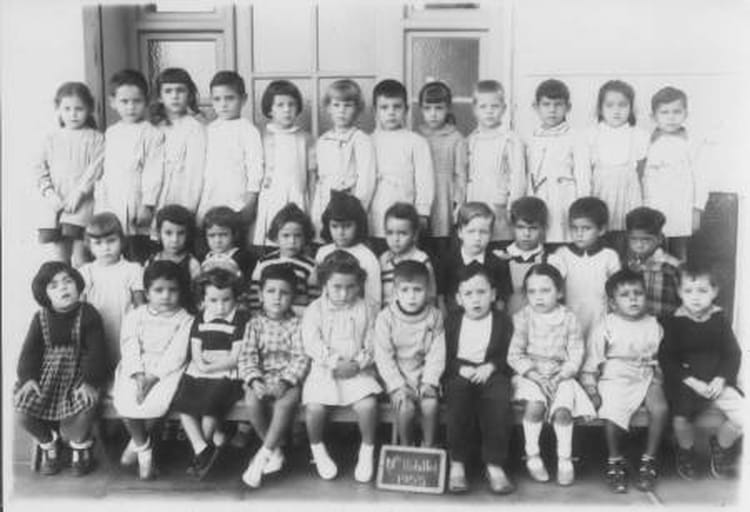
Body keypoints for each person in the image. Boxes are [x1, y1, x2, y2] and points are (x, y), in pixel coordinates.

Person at [15, 262, 107, 476]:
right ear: (44, 294)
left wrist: (90, 382)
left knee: (87, 403)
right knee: (21, 410)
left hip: (79, 376)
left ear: (78, 285)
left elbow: (97, 351)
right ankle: (49, 443)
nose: (63, 288)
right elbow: (29, 352)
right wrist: (28, 378)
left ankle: (80, 446)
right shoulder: (40, 317)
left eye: (68, 281)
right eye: (54, 285)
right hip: (47, 376)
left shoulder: (88, 314)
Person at [508, 263, 595, 487]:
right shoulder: (523, 318)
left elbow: (576, 353)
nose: (538, 297)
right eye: (532, 291)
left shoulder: (569, 318)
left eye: (545, 290)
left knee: (563, 410)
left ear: (559, 292)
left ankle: (565, 459)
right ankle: (532, 455)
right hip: (531, 375)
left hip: (561, 374)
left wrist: (561, 376)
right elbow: (515, 354)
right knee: (536, 405)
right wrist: (535, 376)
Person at [581, 269, 667, 493]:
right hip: (616, 376)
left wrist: (659, 375)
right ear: (613, 302)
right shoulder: (606, 326)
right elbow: (592, 360)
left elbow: (662, 356)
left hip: (646, 374)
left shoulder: (653, 324)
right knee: (611, 411)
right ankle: (615, 460)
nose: (633, 299)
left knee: (660, 409)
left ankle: (649, 460)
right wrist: (591, 388)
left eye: (638, 293)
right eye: (625, 295)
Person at [301, 250, 382, 482]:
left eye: (351, 287)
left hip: (358, 370)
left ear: (359, 285)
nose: (344, 293)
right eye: (337, 287)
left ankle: (366, 451)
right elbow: (312, 343)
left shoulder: (367, 308)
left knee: (368, 406)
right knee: (314, 409)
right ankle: (318, 450)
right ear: (324, 284)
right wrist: (334, 362)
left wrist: (358, 363)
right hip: (325, 371)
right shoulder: (315, 309)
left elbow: (374, 341)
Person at [659, 264, 743, 480]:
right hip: (687, 382)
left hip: (716, 381)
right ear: (680, 293)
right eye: (688, 291)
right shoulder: (674, 322)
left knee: (744, 417)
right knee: (681, 419)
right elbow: (667, 359)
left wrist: (721, 378)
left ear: (714, 292)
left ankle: (721, 445)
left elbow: (732, 353)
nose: (695, 297)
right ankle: (685, 451)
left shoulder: (719, 320)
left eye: (703, 291)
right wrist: (692, 382)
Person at [112, 261, 193, 480]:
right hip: (136, 366)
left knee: (154, 403)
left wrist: (153, 378)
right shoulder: (136, 315)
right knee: (127, 402)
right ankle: (144, 450)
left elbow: (177, 353)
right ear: (147, 292)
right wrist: (138, 374)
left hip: (166, 370)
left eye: (172, 290)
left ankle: (136, 443)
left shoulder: (185, 319)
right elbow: (129, 344)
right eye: (158, 290)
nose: (166, 295)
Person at [171, 268, 249, 479]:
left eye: (226, 300)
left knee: (210, 406)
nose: (220, 307)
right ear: (203, 300)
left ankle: (201, 451)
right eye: (213, 300)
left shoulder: (239, 319)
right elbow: (196, 348)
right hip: (199, 369)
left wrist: (209, 368)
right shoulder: (200, 318)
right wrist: (201, 365)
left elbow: (235, 357)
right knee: (183, 403)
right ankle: (202, 449)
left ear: (235, 298)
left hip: (226, 372)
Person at [444, 264, 515, 494]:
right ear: (458, 298)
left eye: (482, 292)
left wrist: (491, 366)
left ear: (493, 294)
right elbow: (443, 355)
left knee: (498, 400)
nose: (476, 299)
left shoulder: (502, 321)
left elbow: (509, 354)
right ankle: (458, 462)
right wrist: (459, 368)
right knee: (457, 400)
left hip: (491, 371)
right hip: (460, 372)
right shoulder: (451, 322)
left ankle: (494, 464)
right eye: (468, 293)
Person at [239, 264, 310, 488]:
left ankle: (263, 455)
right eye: (271, 291)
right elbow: (247, 356)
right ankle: (275, 450)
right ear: (260, 295)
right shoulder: (254, 324)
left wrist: (285, 382)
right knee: (252, 401)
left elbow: (301, 357)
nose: (277, 298)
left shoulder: (297, 324)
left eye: (284, 292)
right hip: (261, 377)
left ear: (293, 297)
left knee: (285, 404)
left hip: (288, 379)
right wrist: (255, 380)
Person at [94, 69, 164, 264]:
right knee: (111, 249)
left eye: (136, 101)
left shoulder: (152, 133)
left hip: (137, 201)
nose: (131, 107)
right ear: (113, 102)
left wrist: (147, 204)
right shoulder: (111, 133)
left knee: (136, 252)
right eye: (124, 102)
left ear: (146, 101)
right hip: (111, 200)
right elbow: (105, 170)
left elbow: (153, 171)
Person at [374, 260, 445, 447]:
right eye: (405, 290)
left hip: (424, 374)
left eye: (417, 290)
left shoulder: (434, 316)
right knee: (405, 407)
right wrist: (398, 385)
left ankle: (428, 447)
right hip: (398, 375)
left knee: (430, 405)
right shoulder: (386, 317)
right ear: (395, 291)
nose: (411, 297)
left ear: (427, 290)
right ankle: (407, 447)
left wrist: (429, 382)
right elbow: (384, 357)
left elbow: (437, 354)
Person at [34, 82, 104, 267]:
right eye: (67, 109)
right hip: (56, 204)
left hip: (83, 204)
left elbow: (96, 169)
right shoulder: (51, 138)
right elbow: (39, 169)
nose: (73, 114)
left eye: (79, 109)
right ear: (58, 109)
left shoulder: (95, 138)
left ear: (89, 109)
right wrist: (49, 194)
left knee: (82, 259)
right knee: (60, 260)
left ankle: (84, 286)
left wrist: (79, 193)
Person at [582, 80, 649, 253]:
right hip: (601, 190)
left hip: (628, 191)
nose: (616, 110)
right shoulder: (591, 134)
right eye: (610, 105)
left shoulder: (638, 135)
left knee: (626, 236)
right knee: (600, 233)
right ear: (600, 108)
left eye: (623, 105)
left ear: (631, 108)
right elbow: (585, 171)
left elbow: (642, 172)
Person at [369, 79, 434, 253]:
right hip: (375, 214)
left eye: (397, 107)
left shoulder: (416, 142)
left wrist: (422, 211)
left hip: (406, 214)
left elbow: (425, 179)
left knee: (406, 258)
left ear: (406, 109)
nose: (391, 112)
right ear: (375, 111)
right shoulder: (368, 141)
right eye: (384, 107)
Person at [643, 86, 706, 260]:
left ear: (686, 114)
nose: (671, 117)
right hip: (654, 208)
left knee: (678, 256)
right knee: (654, 254)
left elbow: (702, 178)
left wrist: (697, 209)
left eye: (677, 112)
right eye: (664, 112)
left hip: (682, 209)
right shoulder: (647, 143)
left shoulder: (692, 144)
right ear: (653, 116)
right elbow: (643, 177)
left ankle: (679, 276)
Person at [78, 213, 145, 374]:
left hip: (124, 327)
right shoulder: (86, 271)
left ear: (121, 240)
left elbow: (140, 306)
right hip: (95, 329)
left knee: (123, 364)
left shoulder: (133, 269)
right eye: (98, 243)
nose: (105, 248)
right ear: (89, 245)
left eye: (111, 241)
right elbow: (80, 307)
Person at [311, 79, 376, 240]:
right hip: (324, 202)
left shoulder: (361, 139)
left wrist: (357, 209)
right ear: (328, 108)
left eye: (348, 105)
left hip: (349, 204)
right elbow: (320, 179)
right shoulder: (323, 140)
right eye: (336, 105)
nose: (342, 111)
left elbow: (367, 178)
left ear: (357, 108)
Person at [253, 80, 314, 249]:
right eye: (280, 105)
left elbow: (311, 174)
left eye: (291, 104)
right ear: (269, 109)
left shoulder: (305, 138)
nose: (287, 109)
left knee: (296, 238)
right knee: (273, 239)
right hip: (272, 196)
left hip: (297, 193)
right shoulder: (262, 137)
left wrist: (311, 204)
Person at [197, 70, 263, 227]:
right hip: (210, 197)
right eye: (217, 99)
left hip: (237, 200)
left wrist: (251, 199)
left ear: (243, 99)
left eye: (230, 98)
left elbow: (255, 166)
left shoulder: (248, 130)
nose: (223, 104)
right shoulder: (208, 130)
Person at [525, 79, 588, 243]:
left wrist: (582, 206)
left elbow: (583, 175)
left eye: (558, 104)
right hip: (537, 196)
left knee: (561, 237)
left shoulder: (576, 137)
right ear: (536, 107)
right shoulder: (530, 138)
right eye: (546, 104)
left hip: (563, 198)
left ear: (568, 107)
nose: (552, 110)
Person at [549, 197, 621, 339]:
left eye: (586, 228)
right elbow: (552, 287)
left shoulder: (609, 256)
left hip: (600, 320)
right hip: (569, 321)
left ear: (601, 230)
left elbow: (617, 290)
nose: (579, 234)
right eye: (574, 228)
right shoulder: (562, 254)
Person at [466, 80, 525, 243]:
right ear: (474, 109)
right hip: (475, 203)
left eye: (495, 106)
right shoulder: (471, 140)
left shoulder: (510, 140)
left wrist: (513, 208)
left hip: (499, 206)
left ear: (504, 108)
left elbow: (518, 177)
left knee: (499, 245)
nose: (489, 112)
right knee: (477, 242)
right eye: (483, 107)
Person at [416, 81, 467, 265]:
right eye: (427, 108)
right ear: (421, 109)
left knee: (443, 250)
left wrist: (458, 203)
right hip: (421, 199)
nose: (433, 114)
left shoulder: (456, 138)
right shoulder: (416, 136)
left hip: (444, 199)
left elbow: (460, 175)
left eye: (439, 108)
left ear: (448, 108)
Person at [150, 67, 206, 215]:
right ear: (159, 97)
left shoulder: (195, 129)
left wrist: (188, 208)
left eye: (180, 90)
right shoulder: (153, 127)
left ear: (189, 95)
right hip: (153, 194)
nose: (174, 96)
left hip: (180, 193)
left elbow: (195, 173)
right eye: (168, 91)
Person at [439, 202, 512, 313]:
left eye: (483, 232)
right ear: (460, 232)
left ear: (491, 234)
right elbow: (441, 299)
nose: (477, 238)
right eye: (471, 232)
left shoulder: (499, 264)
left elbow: (501, 302)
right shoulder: (446, 262)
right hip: (455, 319)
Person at [248, 203, 319, 317]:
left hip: (298, 319)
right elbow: (255, 293)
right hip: (268, 318)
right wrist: (256, 315)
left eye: (297, 236)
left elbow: (314, 300)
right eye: (286, 236)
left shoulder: (310, 266)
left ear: (305, 237)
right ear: (276, 237)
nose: (292, 241)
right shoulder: (264, 263)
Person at [315, 193, 381, 313]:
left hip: (357, 315)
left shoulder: (367, 257)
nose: (340, 232)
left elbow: (373, 299)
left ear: (358, 225)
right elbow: (319, 292)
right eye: (335, 226)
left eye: (347, 226)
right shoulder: (323, 252)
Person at [494, 196, 550, 315]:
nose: (526, 234)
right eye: (520, 227)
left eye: (533, 228)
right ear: (512, 227)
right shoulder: (500, 257)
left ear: (543, 228)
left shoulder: (549, 259)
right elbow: (498, 301)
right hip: (509, 318)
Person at [624, 207, 681, 319]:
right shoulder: (630, 265)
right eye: (634, 239)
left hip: (668, 324)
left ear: (659, 238)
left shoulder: (672, 267)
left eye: (646, 239)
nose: (639, 245)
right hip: (639, 324)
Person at [379, 202, 437, 306]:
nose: (395, 239)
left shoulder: (421, 259)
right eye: (390, 233)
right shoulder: (383, 260)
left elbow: (431, 295)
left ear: (414, 235)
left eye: (402, 233)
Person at [200, 206, 257, 289]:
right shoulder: (205, 257)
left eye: (223, 235)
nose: (217, 241)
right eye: (212, 235)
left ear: (234, 234)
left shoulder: (242, 257)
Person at [146, 204, 201, 286]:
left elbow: (197, 291)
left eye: (181, 233)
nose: (175, 239)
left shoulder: (192, 265)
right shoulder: (152, 261)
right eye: (168, 233)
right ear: (159, 233)